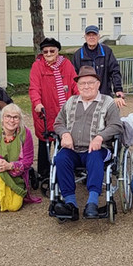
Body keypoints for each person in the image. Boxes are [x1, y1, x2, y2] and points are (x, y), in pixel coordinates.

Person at [52, 66, 124, 220]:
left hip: (98, 148)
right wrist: (64, 134)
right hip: (73, 149)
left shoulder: (108, 102)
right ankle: (70, 204)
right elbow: (58, 123)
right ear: (77, 86)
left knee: (94, 158)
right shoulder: (71, 101)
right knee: (60, 159)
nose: (86, 86)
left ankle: (92, 202)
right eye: (82, 83)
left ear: (98, 84)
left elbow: (116, 125)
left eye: (90, 83)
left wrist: (100, 137)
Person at [29, 37, 79, 181]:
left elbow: (74, 83)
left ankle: (66, 168)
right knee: (45, 140)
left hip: (64, 110)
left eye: (52, 50)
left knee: (67, 139)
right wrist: (37, 103)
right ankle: (44, 173)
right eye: (45, 51)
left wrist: (81, 98)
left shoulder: (66, 64)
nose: (49, 53)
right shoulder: (37, 66)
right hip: (46, 109)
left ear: (57, 51)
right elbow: (34, 87)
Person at [72, 25, 125, 108]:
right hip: (85, 96)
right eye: (89, 35)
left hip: (104, 93)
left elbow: (115, 71)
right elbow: (74, 76)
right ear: (85, 37)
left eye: (94, 35)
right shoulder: (78, 55)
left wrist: (118, 89)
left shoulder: (107, 52)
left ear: (98, 37)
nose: (91, 37)